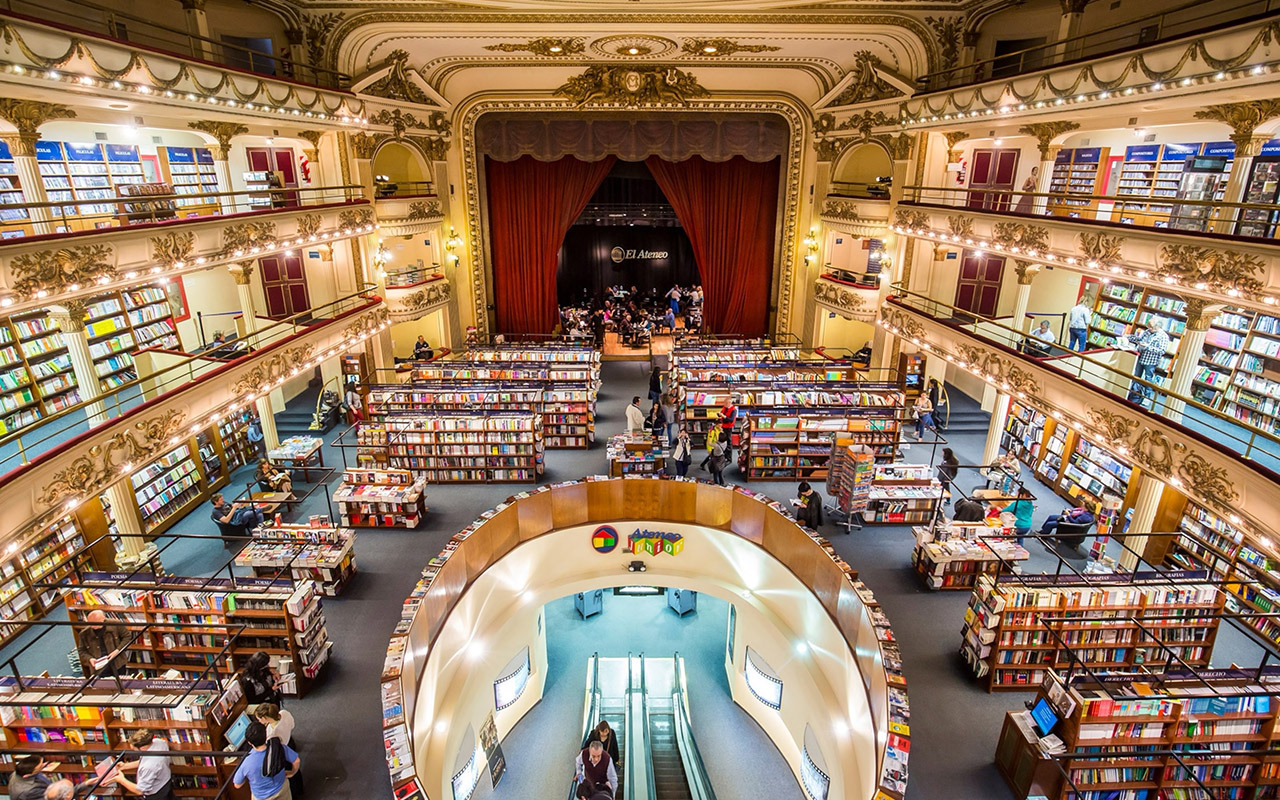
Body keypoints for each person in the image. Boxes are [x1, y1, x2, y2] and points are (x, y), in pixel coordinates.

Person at [232, 721, 300, 800]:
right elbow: (296, 761)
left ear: (249, 743)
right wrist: (292, 773)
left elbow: (237, 785)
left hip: (261, 797)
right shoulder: (278, 747)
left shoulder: (246, 762)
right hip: (281, 789)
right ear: (266, 734)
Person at [109, 729, 173, 800]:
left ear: (143, 748)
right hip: (165, 781)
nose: (134, 751)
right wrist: (125, 766)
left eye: (134, 749)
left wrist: (121, 780)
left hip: (156, 794)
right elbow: (144, 760)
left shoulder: (149, 766)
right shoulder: (160, 742)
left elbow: (140, 791)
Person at [256, 704, 303, 798]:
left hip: (282, 751)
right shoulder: (284, 713)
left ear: (265, 718)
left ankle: (295, 794)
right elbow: (292, 725)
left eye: (259, 719)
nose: (259, 721)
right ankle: (300, 789)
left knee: (289, 773)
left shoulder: (271, 734)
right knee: (295, 769)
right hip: (290, 743)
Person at [1128, 319, 1171, 407]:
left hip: (1151, 360)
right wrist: (1129, 337)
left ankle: (1147, 398)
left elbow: (1162, 351)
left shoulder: (1163, 336)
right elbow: (1140, 339)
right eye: (1149, 327)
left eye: (1151, 327)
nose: (1149, 329)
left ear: (1158, 327)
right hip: (1140, 356)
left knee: (1148, 378)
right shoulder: (1147, 331)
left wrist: (1147, 347)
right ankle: (1134, 394)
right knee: (1136, 376)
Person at [77, 610, 127, 679]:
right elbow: (81, 650)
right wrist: (90, 659)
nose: (92, 626)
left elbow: (127, 637)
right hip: (100, 666)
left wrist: (117, 650)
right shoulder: (84, 634)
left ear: (102, 620)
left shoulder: (115, 624)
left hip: (117, 662)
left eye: (95, 623)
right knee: (105, 686)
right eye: (90, 623)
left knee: (122, 682)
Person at [716, 394, 739, 459]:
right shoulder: (724, 408)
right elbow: (721, 413)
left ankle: (729, 457)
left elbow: (731, 420)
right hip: (723, 426)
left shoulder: (734, 410)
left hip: (728, 427)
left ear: (729, 403)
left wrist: (724, 416)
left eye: (725, 403)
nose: (724, 404)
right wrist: (719, 414)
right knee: (723, 441)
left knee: (729, 442)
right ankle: (724, 455)